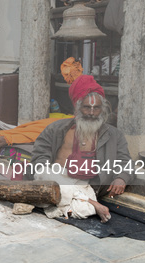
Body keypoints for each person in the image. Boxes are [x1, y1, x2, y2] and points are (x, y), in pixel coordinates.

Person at [31, 75, 134, 223]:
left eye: (96, 108)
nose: (91, 113)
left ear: (102, 109)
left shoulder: (114, 135)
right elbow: (38, 159)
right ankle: (92, 203)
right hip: (57, 178)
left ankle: (75, 203)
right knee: (44, 172)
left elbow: (126, 162)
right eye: (87, 107)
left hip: (86, 185)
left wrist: (121, 178)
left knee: (85, 211)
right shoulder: (56, 129)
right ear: (77, 107)